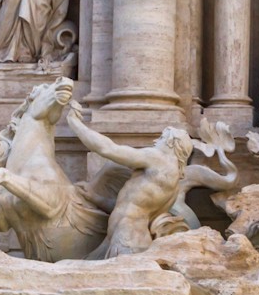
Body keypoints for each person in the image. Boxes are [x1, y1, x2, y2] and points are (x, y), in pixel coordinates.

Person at [65, 108, 195, 259]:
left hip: (127, 240)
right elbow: (131, 207)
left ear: (171, 142)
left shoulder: (158, 158)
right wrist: (95, 198)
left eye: (161, 138)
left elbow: (108, 148)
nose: (155, 142)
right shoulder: (173, 183)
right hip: (126, 238)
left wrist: (75, 124)